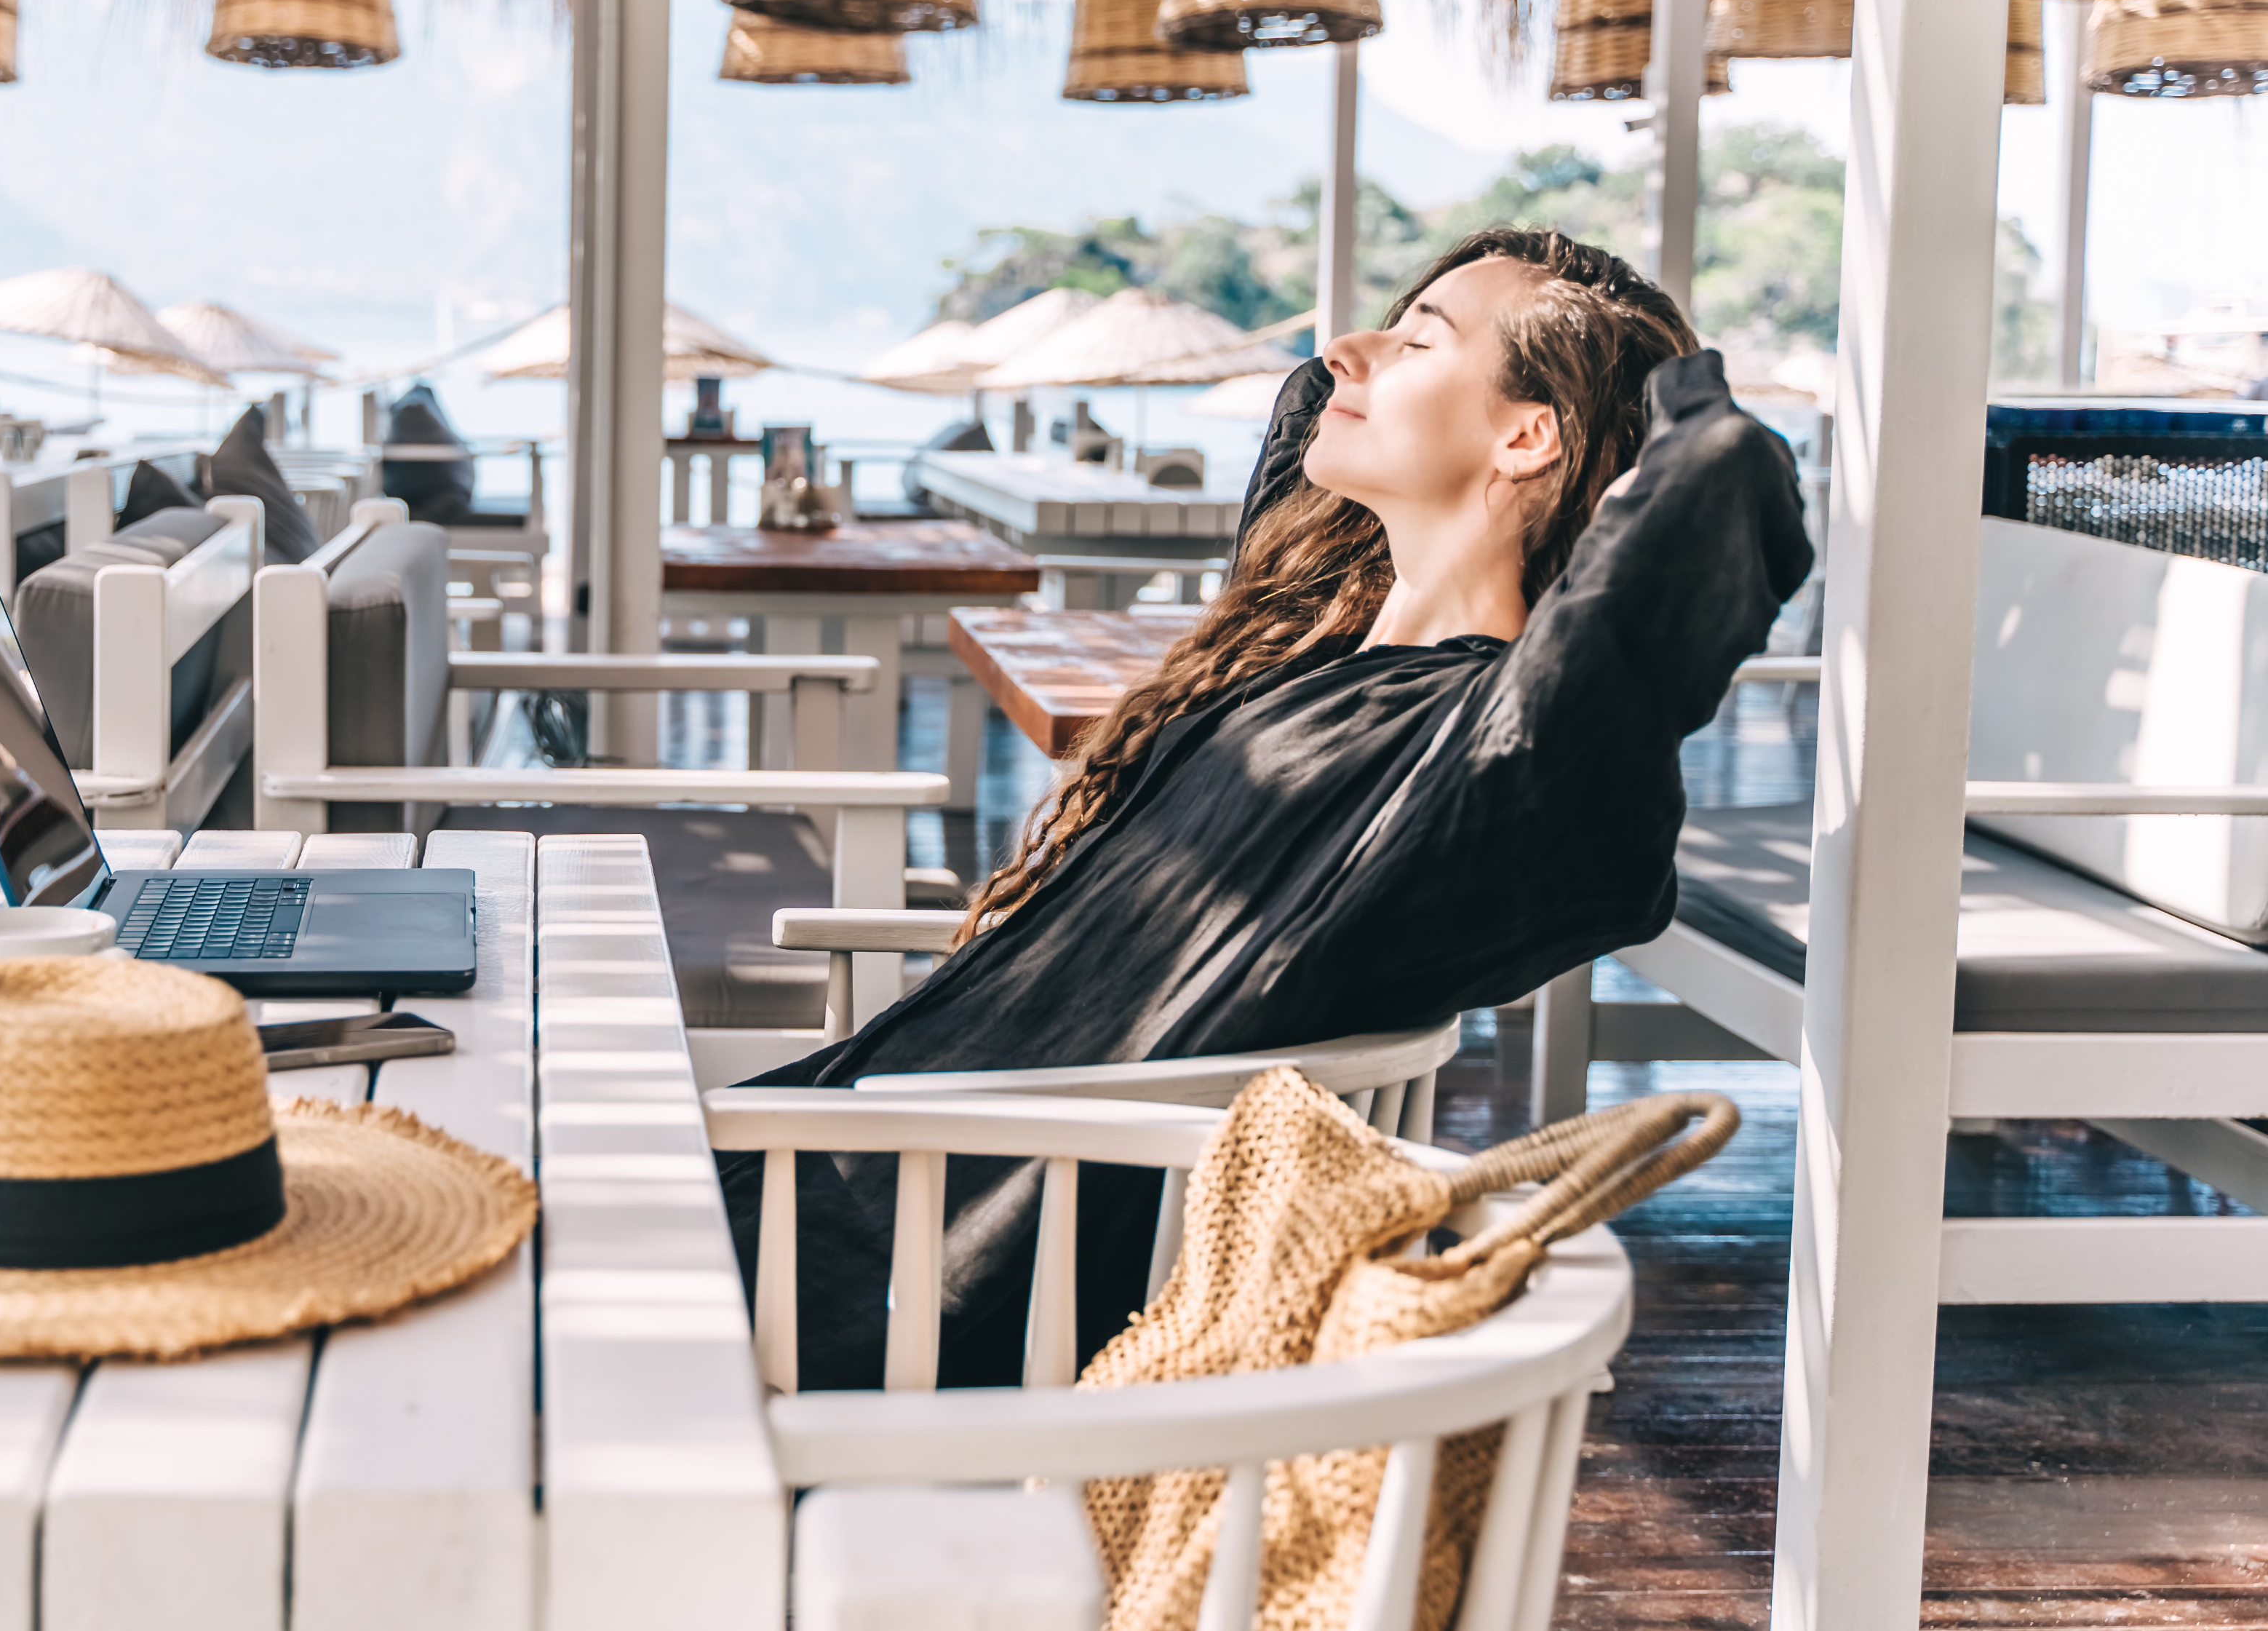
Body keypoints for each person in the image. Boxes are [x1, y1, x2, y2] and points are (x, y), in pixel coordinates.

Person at [717, 226, 1817, 1390]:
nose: (1347, 349)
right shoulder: (1307, 665)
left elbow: (1719, 473)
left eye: (1414, 338)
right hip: (855, 1180)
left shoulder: (1481, 754)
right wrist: (1442, 354)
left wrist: (1650, 371)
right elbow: (1309, 401)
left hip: (890, 1273)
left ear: (1528, 433)